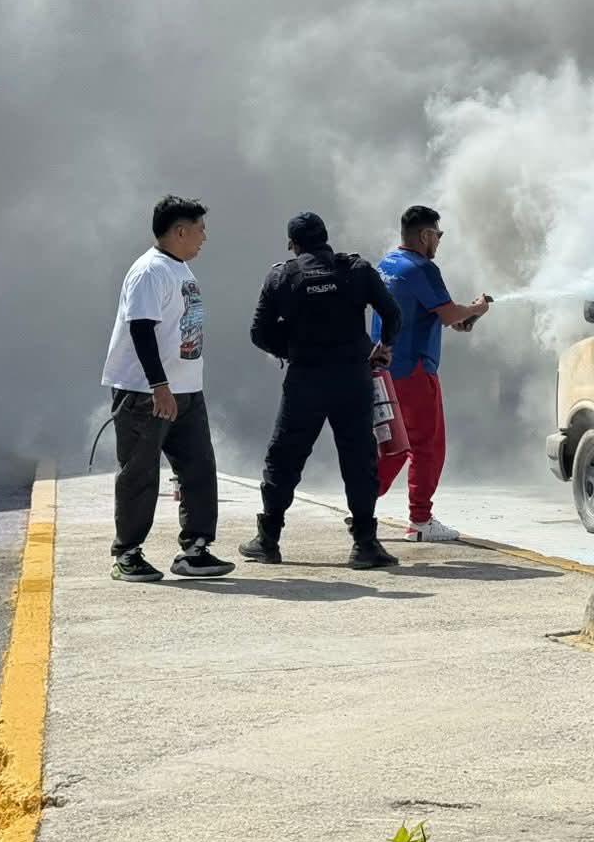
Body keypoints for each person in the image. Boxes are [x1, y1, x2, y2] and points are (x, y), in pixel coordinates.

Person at [242, 213, 405, 570]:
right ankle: (364, 544)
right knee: (359, 458)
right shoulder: (357, 270)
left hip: (306, 380)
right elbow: (393, 315)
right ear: (326, 239)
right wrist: (384, 347)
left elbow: (259, 333)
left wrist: (291, 349)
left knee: (285, 455)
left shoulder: (282, 277)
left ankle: (268, 539)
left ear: (293, 244)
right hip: (353, 377)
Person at [99, 196, 234, 582]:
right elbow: (141, 330)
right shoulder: (149, 272)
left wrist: (181, 386)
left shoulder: (181, 270)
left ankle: (195, 550)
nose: (204, 237)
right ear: (179, 231)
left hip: (186, 391)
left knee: (198, 468)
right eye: (200, 228)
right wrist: (160, 386)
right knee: (140, 473)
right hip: (147, 393)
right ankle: (127, 553)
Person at [370, 205, 490, 541]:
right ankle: (421, 522)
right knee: (427, 446)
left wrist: (458, 319)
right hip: (415, 371)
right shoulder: (423, 268)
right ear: (425, 236)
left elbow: (431, 314)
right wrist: (476, 309)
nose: (439, 241)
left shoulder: (387, 264)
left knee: (393, 444)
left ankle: (362, 504)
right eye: (438, 234)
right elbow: (450, 313)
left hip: (384, 371)